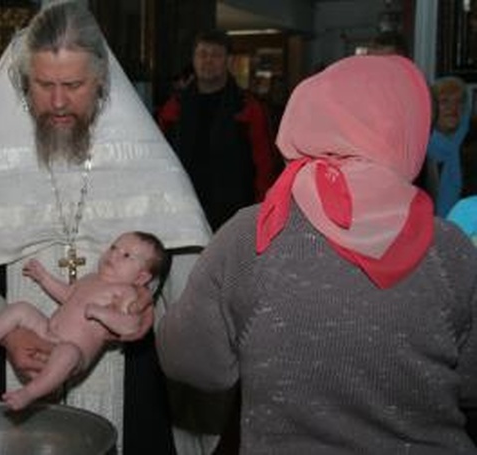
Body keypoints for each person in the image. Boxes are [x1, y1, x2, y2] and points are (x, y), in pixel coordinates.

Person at [0, 2, 211, 454]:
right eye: (44, 85)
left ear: (101, 83)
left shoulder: (148, 165)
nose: (58, 102)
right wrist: (6, 328)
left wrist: (142, 300)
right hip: (7, 354)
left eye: (73, 85)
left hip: (124, 372)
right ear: (23, 83)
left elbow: (174, 249)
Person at [156, 55, 477, 453]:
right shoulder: (450, 250)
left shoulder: (254, 234)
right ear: (409, 131)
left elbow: (192, 362)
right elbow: (470, 384)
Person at [0, 231, 169, 410]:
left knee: (68, 353)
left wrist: (101, 314)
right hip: (47, 332)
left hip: (75, 351)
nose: (113, 254)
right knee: (21, 308)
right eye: (114, 247)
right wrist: (44, 278)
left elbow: (130, 325)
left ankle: (29, 393)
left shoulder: (127, 293)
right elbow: (67, 295)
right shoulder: (91, 278)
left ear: (141, 278)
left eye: (126, 255)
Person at [157, 29, 279, 231]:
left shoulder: (248, 108)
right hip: (184, 211)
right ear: (193, 59)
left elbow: (265, 166)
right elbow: (160, 161)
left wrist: (261, 212)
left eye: (216, 55)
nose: (208, 61)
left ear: (228, 61)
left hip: (235, 215)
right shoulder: (173, 108)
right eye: (202, 54)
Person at [426, 76, 472, 218]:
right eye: (444, 101)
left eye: (459, 101)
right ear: (432, 108)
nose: (453, 108)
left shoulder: (471, 147)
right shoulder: (419, 149)